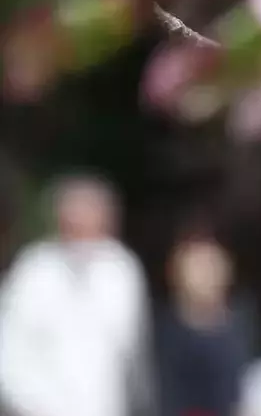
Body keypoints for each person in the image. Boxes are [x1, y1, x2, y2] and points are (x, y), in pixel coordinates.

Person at [0, 174, 154, 416]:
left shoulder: (122, 268)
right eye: (74, 217)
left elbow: (131, 349)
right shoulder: (34, 268)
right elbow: (10, 349)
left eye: (93, 215)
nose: (83, 224)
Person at [156, 235, 255, 416]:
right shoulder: (169, 335)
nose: (206, 276)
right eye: (198, 268)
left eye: (211, 266)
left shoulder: (240, 324)